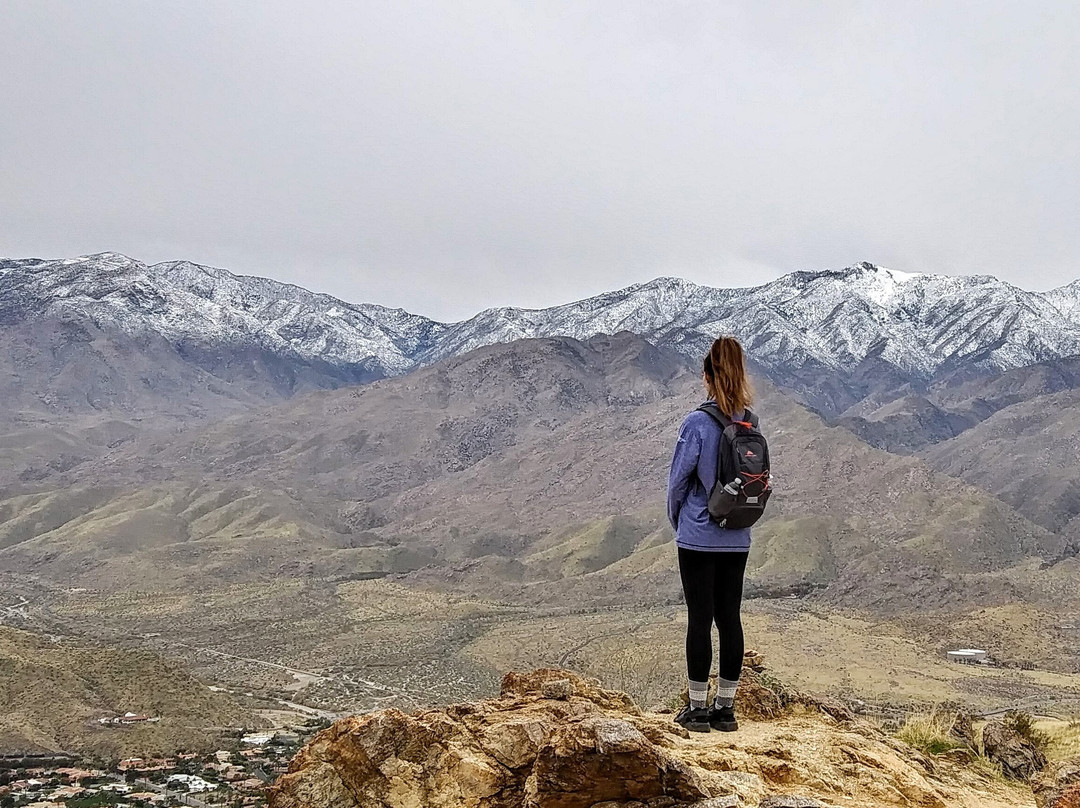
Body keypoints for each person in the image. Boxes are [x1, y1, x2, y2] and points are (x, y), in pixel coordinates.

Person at [666, 335, 754, 733]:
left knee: (699, 619)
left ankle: (698, 709)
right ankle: (727, 710)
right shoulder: (749, 422)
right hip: (738, 534)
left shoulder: (696, 423)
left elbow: (678, 483)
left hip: (699, 534)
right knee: (730, 618)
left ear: (706, 377)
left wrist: (680, 521)